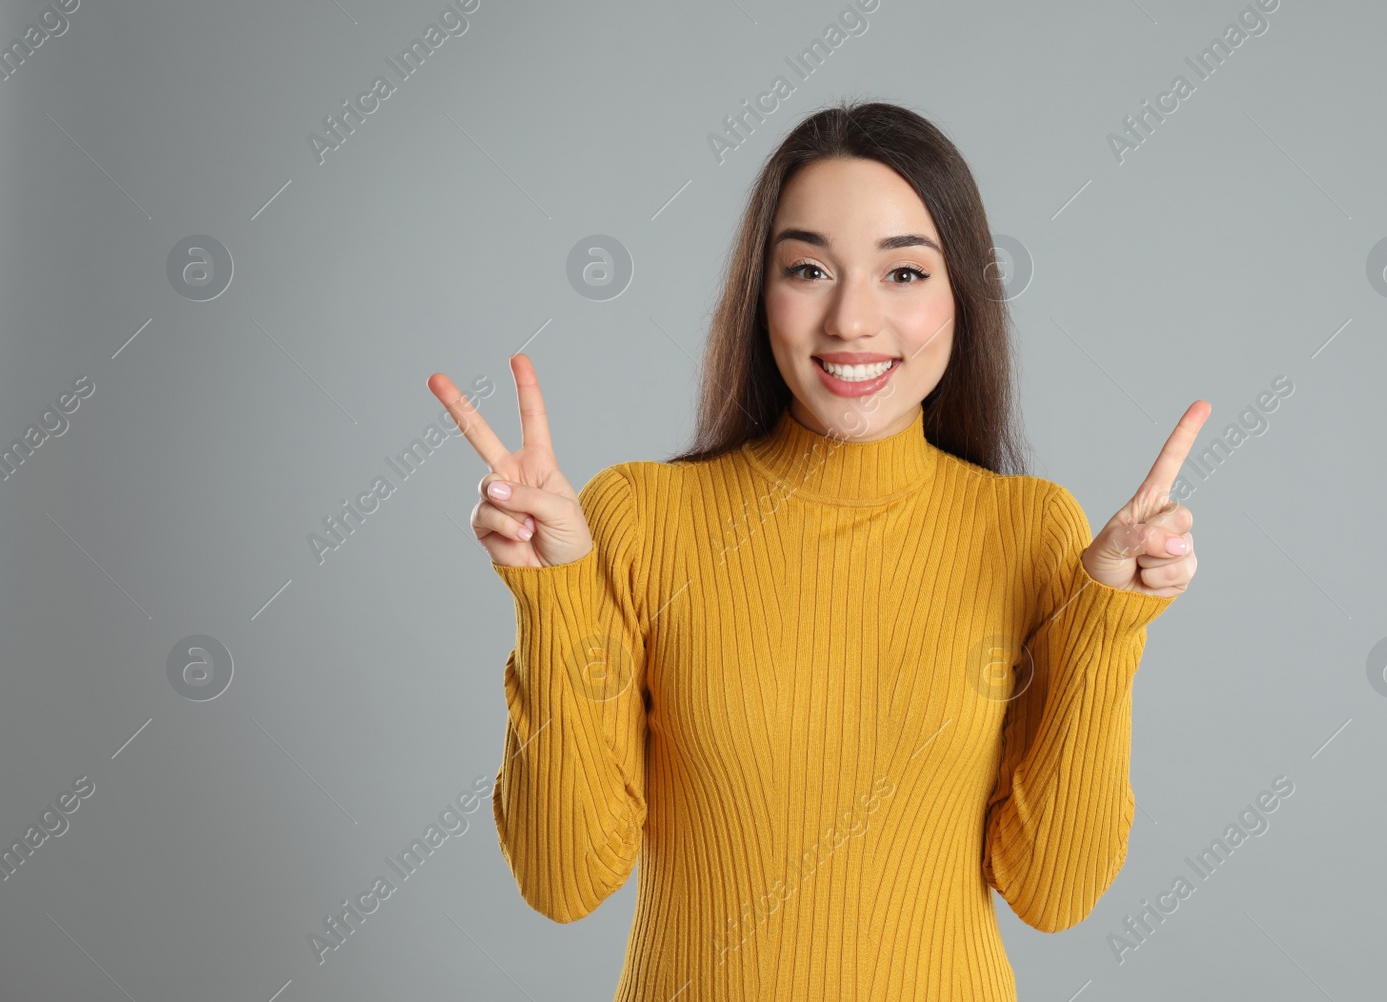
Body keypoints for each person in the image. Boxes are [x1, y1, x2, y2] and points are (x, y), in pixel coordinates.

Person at [427, 99, 1206, 1001]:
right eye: (808, 268)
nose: (852, 320)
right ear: (762, 295)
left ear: (963, 297)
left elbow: (1054, 892)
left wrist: (1106, 623)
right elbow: (563, 881)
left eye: (904, 274)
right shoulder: (640, 516)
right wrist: (552, 594)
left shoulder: (1029, 531)